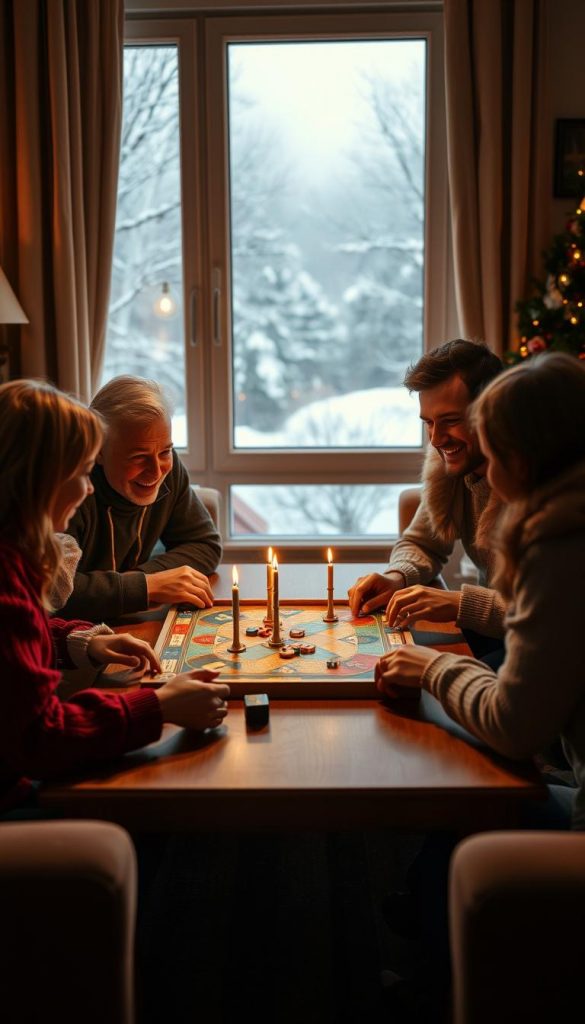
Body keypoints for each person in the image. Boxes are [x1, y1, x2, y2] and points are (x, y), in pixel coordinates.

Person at [375, 352, 585, 1016]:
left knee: (475, 787)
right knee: (465, 787)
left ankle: (439, 982)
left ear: (523, 451)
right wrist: (403, 578)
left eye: (489, 450)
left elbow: (515, 720)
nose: (479, 472)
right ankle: (428, 924)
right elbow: (424, 542)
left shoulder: (560, 545)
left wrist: (435, 666)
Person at [0, 379, 230, 817]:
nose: (87, 489)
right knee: (151, 804)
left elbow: (19, 636)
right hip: (15, 795)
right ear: (38, 480)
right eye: (79, 472)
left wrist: (81, 641)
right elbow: (40, 738)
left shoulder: (12, 556)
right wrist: (158, 705)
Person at [348, 339, 506, 663]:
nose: (435, 440)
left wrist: (456, 603)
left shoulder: (538, 484)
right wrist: (397, 577)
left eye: (449, 421)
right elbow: (422, 543)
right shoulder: (450, 471)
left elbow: (551, 611)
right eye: (428, 423)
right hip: (493, 632)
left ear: (492, 410)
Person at [60, 375, 222, 620]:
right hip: (72, 637)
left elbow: (204, 545)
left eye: (165, 451)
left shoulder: (169, 469)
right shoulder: (70, 488)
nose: (157, 471)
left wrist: (145, 582)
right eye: (138, 457)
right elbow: (52, 592)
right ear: (98, 451)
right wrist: (143, 587)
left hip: (127, 624)